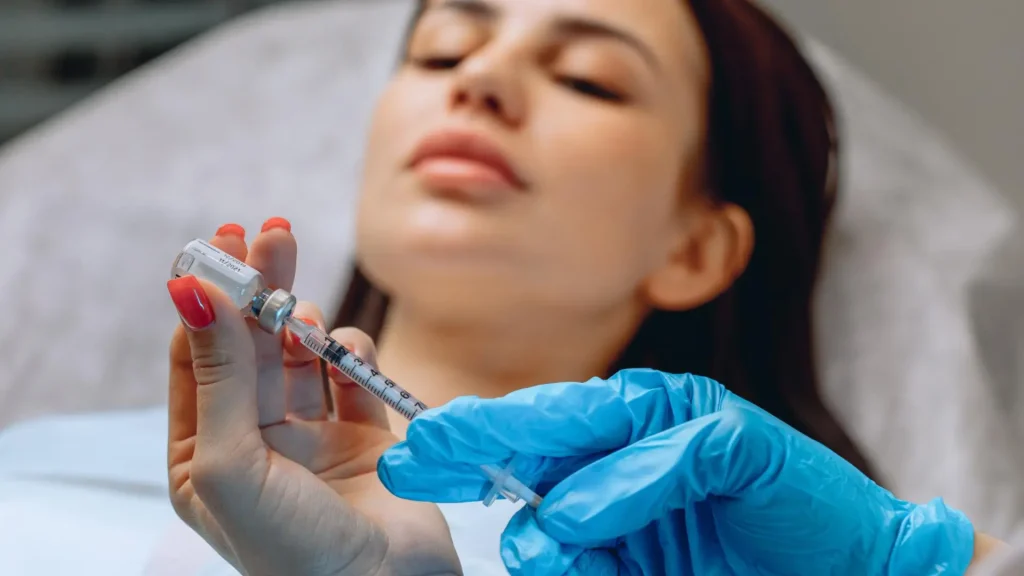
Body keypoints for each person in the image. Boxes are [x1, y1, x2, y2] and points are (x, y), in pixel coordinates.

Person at [161, 0, 1007, 574]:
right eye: (442, 50)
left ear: (697, 250)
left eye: (587, 79)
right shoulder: (46, 471)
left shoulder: (756, 549)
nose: (478, 80)